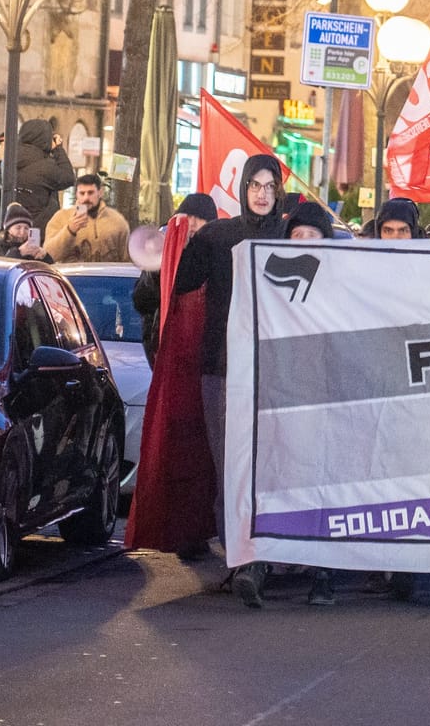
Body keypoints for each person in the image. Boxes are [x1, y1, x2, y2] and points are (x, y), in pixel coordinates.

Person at [167, 154, 287, 604]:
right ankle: (240, 559)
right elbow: (176, 285)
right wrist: (158, 254)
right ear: (242, 189)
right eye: (254, 185)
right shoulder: (218, 237)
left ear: (278, 190)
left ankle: (266, 555)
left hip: (278, 373)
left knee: (272, 467)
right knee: (229, 467)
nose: (261, 193)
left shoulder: (290, 237)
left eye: (268, 185)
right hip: (222, 370)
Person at [131, 194, 217, 364]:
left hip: (201, 354)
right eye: (187, 217)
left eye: (198, 218)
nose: (191, 223)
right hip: (166, 351)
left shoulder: (215, 255)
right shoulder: (162, 255)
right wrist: (158, 269)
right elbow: (142, 301)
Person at [43, 174, 130, 263]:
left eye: (90, 193)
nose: (86, 198)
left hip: (107, 275)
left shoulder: (117, 221)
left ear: (100, 193)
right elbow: (49, 255)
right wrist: (69, 230)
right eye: (82, 193)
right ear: (76, 194)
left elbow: (126, 261)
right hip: (71, 276)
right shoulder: (61, 218)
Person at [11, 119, 77, 228]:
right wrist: (58, 149)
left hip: (12, 226)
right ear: (45, 139)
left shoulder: (10, 159)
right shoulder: (45, 166)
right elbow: (68, 178)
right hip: (37, 229)